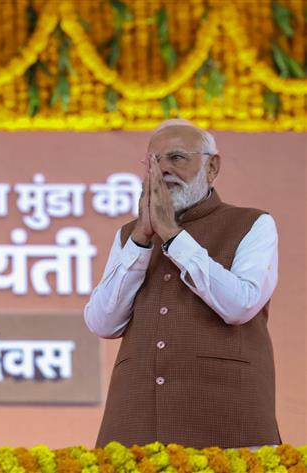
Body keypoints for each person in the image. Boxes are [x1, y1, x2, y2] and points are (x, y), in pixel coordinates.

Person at [84, 119, 280, 448]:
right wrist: (141, 240)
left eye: (176, 158)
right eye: (153, 162)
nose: (162, 172)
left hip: (226, 417)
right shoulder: (130, 234)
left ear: (212, 167)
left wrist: (173, 237)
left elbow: (241, 304)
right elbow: (102, 322)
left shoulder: (253, 223)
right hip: (137, 419)